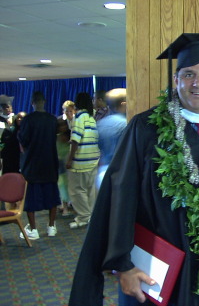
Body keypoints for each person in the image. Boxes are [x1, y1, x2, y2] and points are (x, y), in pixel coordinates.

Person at [69, 33, 199, 306]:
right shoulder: (145, 128)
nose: (198, 83)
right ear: (176, 81)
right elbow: (120, 196)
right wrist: (122, 264)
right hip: (157, 270)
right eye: (188, 74)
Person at [18, 91, 60, 240]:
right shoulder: (52, 120)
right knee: (52, 197)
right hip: (50, 163)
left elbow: (23, 140)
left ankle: (34, 230)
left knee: (31, 200)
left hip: (32, 164)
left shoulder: (28, 120)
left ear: (32, 103)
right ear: (45, 101)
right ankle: (51, 227)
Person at [66, 93, 100, 229]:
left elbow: (75, 139)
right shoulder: (92, 118)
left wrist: (70, 159)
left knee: (76, 190)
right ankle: (91, 215)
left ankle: (84, 217)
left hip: (81, 160)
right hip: (93, 158)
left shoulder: (79, 117)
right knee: (90, 190)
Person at [96, 88, 127, 189]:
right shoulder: (127, 125)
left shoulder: (100, 124)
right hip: (123, 172)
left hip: (103, 171)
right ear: (123, 104)